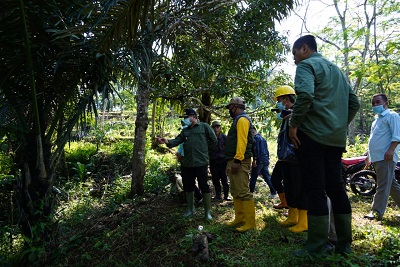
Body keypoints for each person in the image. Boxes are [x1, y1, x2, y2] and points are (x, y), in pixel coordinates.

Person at [288, 35, 360, 256]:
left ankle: (317, 247)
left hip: (311, 137)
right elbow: (354, 103)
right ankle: (344, 245)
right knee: (336, 187)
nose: (294, 60)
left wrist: (294, 124)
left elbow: (306, 94)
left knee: (316, 189)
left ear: (305, 48)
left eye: (295, 54)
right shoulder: (336, 70)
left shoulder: (307, 65)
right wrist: (338, 126)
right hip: (334, 139)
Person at [157, 108, 217, 221]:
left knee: (204, 185)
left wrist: (205, 151)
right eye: (184, 118)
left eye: (186, 117)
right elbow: (177, 140)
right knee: (188, 185)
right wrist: (167, 142)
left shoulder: (204, 127)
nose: (185, 120)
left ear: (193, 116)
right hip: (187, 163)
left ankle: (207, 213)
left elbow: (214, 140)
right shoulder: (185, 131)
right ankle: (190, 209)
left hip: (201, 162)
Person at [273, 85, 308, 233]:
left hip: (297, 158)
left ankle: (304, 221)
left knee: (300, 188)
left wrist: (293, 114)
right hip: (286, 159)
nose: (278, 104)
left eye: (279, 100)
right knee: (289, 186)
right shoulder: (285, 117)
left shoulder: (298, 114)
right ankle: (293, 216)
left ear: (286, 99)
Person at [364, 93, 400, 220]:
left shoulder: (392, 116)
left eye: (378, 102)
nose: (375, 105)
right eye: (373, 103)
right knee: (391, 185)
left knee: (382, 185)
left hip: (386, 157)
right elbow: (374, 139)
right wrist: (369, 154)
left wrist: (390, 151)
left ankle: (376, 212)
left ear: (386, 103)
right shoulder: (376, 120)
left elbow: (397, 136)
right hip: (377, 157)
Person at [224, 97, 255, 232]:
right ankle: (240, 218)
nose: (229, 111)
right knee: (235, 190)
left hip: (240, 161)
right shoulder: (237, 120)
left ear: (235, 107)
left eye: (230, 108)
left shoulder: (242, 120)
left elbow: (242, 141)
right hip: (233, 160)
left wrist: (237, 161)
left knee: (243, 190)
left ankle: (250, 223)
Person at [176, 121, 203, 205]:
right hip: (185, 160)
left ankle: (199, 197)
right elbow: (181, 146)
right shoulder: (184, 133)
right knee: (187, 181)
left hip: (192, 160)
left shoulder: (192, 133)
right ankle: (192, 201)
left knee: (191, 181)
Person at [249, 127, 277, 198]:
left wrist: (255, 160)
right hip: (265, 159)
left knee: (253, 176)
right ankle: (273, 192)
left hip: (259, 160)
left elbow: (256, 150)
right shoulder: (262, 138)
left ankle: (250, 193)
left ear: (252, 132)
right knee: (267, 176)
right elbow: (266, 150)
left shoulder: (255, 139)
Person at [209, 120, 231, 201]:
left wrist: (228, 161)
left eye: (217, 127)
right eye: (214, 127)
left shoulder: (224, 138)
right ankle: (218, 195)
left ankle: (226, 195)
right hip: (213, 162)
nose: (216, 129)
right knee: (215, 179)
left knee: (224, 179)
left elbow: (228, 149)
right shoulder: (210, 139)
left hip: (223, 162)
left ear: (220, 128)